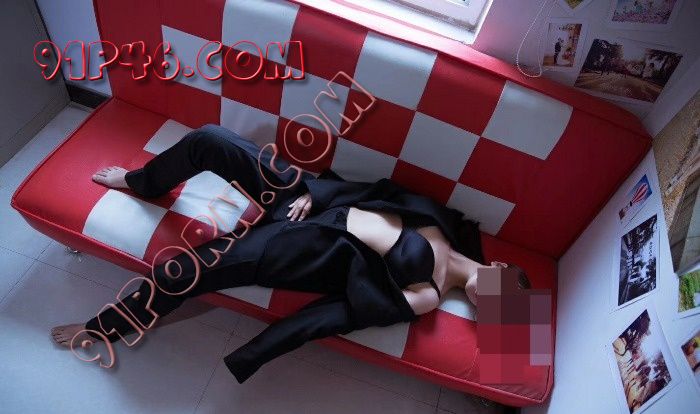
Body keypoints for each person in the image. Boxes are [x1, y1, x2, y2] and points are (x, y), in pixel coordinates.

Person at [50, 124, 531, 383]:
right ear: (499, 267)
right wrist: (314, 194)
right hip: (303, 199)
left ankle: (103, 328)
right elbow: (379, 190)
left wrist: (255, 354)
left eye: (493, 309)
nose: (491, 302)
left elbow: (330, 317)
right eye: (503, 292)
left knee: (178, 271)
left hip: (288, 250)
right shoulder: (446, 222)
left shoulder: (426, 296)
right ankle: (141, 182)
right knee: (208, 139)